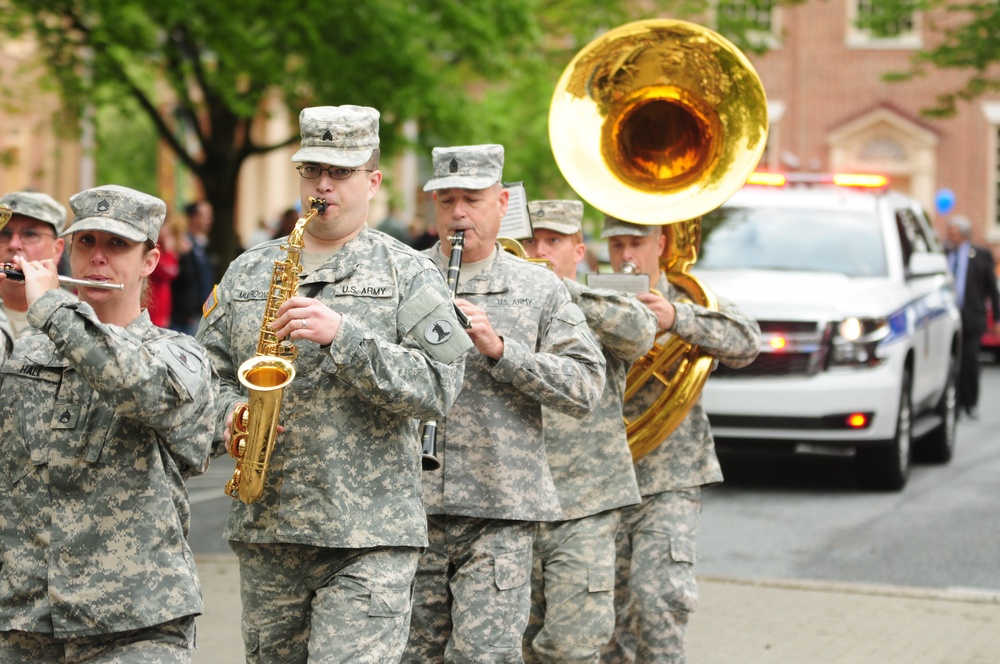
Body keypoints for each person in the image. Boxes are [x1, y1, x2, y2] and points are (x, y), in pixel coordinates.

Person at [196, 105, 472, 664]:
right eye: (312, 170)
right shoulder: (249, 270)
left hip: (368, 536)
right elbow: (206, 372)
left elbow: (440, 386)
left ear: (373, 181)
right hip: (270, 528)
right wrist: (227, 414)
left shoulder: (410, 272)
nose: (323, 185)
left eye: (341, 173)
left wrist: (344, 338)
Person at [404, 145, 607, 663]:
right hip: (408, 510)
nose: (457, 214)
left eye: (471, 199)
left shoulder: (539, 287)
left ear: (500, 203)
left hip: (499, 512)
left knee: (485, 657)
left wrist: (502, 352)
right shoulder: (402, 276)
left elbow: (586, 385)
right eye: (445, 200)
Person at [0, 184, 215, 662]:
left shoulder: (178, 354)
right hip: (25, 623)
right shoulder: (24, 355)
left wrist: (54, 308)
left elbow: (140, 388)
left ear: (150, 261)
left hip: (136, 623)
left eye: (117, 244)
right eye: (86, 242)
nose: (98, 258)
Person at [597, 216, 760, 664]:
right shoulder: (595, 297)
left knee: (658, 600)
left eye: (636, 243)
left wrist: (678, 319)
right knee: (605, 618)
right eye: (617, 246)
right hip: (602, 478)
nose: (626, 256)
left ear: (662, 243)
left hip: (670, 476)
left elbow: (748, 343)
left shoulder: (690, 298)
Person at [520, 200, 656, 663]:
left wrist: (558, 290)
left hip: (586, 502)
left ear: (578, 250)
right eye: (531, 240)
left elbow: (641, 331)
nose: (539, 250)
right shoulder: (499, 302)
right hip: (514, 505)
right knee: (515, 646)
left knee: (571, 648)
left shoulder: (597, 305)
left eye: (553, 241)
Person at [944, 214, 1000, 420]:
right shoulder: (944, 253)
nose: (949, 236)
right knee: (951, 363)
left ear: (964, 235)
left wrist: (997, 319)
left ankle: (970, 403)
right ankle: (954, 405)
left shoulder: (981, 255)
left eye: (953, 233)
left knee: (969, 363)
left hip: (971, 319)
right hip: (948, 319)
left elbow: (992, 289)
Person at [0, 191, 67, 339]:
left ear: (57, 250)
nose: (13, 244)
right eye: (4, 234)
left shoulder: (79, 316)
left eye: (30, 234)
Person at [171, 199, 215, 335]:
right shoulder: (182, 245)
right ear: (194, 217)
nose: (208, 221)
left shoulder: (200, 244)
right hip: (185, 316)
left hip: (200, 311)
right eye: (204, 216)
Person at [148, 222, 180, 327]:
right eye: (165, 229)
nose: (167, 233)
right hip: (152, 312)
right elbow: (169, 272)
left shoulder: (164, 252)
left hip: (162, 311)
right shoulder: (153, 250)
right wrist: (170, 251)